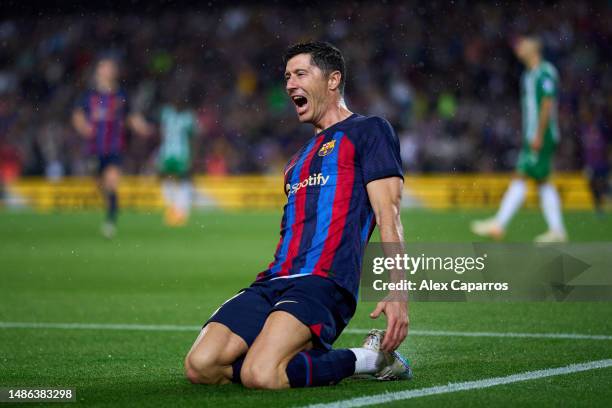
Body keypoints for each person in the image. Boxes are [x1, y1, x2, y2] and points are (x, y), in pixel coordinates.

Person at [184, 41, 411, 389]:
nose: (290, 84)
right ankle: (277, 362)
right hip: (272, 281)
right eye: (287, 76)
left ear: (333, 79)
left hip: (323, 283)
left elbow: (388, 213)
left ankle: (374, 358)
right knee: (201, 366)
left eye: (301, 74)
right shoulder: (296, 161)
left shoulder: (370, 131)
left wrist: (399, 290)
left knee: (261, 374)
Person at [471, 36, 568, 242]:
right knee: (542, 181)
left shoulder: (545, 72)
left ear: (534, 49)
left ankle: (499, 224)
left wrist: (539, 135)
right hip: (533, 133)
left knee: (520, 176)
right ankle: (556, 230)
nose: (519, 50)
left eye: (522, 46)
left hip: (542, 134)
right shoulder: (528, 75)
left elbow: (547, 104)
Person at [72, 57, 153, 238]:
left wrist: (143, 127)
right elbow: (77, 115)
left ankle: (110, 221)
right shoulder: (89, 96)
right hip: (94, 148)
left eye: (110, 68)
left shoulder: (121, 96)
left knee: (112, 181)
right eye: (104, 68)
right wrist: (84, 127)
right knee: (102, 185)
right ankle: (110, 208)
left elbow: (131, 116)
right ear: (98, 72)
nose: (107, 71)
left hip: (115, 146)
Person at [157, 91, 198, 226]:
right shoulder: (166, 113)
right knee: (164, 178)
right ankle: (172, 209)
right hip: (167, 153)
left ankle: (181, 212)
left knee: (183, 180)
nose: (176, 102)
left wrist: (192, 156)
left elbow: (193, 138)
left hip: (181, 154)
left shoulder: (188, 117)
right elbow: (161, 133)